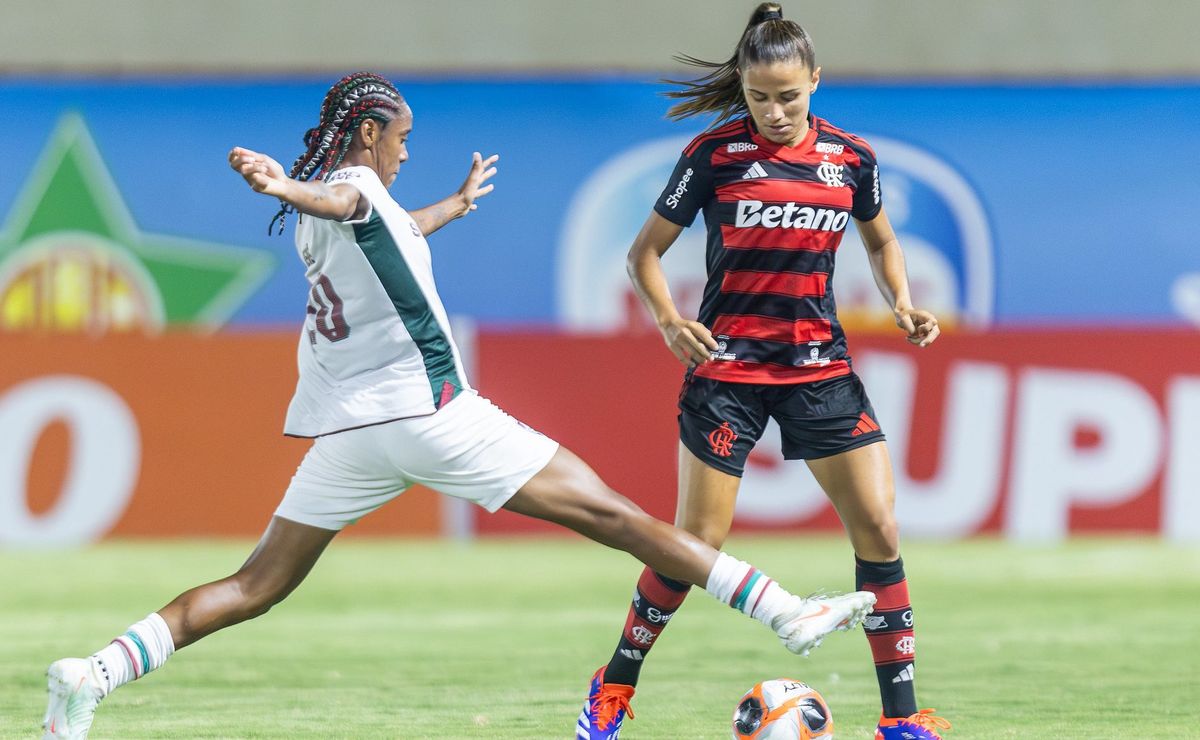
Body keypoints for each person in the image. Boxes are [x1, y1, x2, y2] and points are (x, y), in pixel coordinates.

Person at [41, 71, 878, 740]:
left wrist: (455, 204)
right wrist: (281, 186)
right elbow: (349, 202)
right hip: (433, 416)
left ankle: (94, 675)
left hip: (352, 435)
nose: (406, 154)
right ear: (369, 133)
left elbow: (389, 230)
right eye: (401, 140)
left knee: (256, 583)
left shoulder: (353, 215)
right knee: (618, 517)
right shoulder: (339, 194)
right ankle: (786, 612)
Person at [576, 5, 952, 740]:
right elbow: (642, 254)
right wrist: (668, 320)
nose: (776, 112)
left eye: (790, 96)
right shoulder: (713, 156)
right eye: (759, 98)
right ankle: (614, 685)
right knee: (696, 549)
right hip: (729, 373)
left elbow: (881, 243)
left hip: (821, 370)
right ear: (743, 91)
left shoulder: (851, 158)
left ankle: (902, 721)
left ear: (815, 80)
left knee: (878, 524)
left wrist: (902, 302)